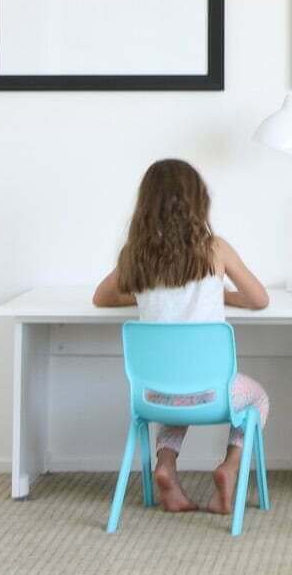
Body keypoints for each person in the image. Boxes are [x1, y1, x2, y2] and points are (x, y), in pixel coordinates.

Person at [93, 159, 270, 515]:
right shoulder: (215, 249)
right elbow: (259, 298)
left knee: (179, 390)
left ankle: (166, 465)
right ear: (198, 201)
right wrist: (221, 293)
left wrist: (147, 293)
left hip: (154, 396)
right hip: (213, 394)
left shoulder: (135, 255)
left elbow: (102, 297)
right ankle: (229, 468)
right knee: (258, 400)